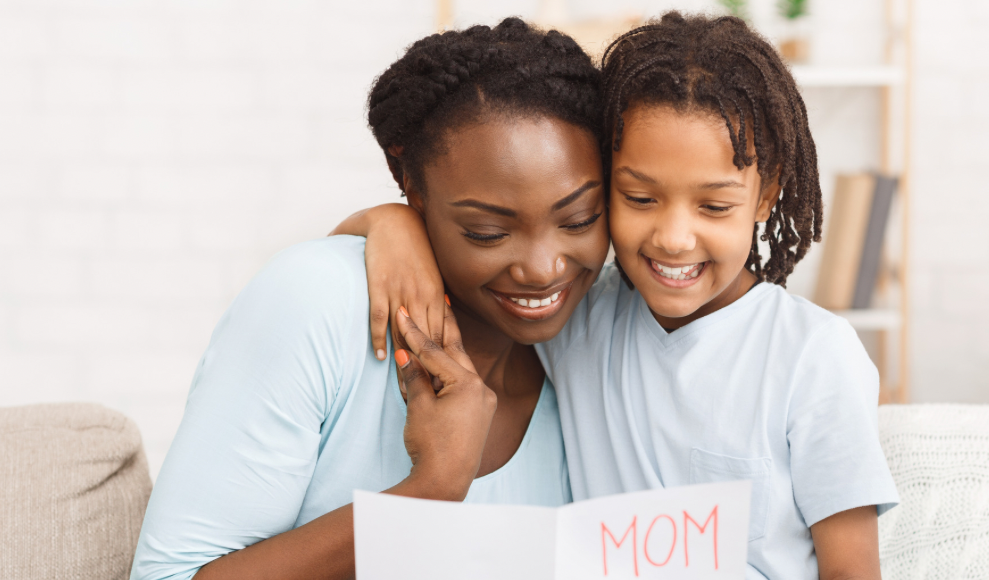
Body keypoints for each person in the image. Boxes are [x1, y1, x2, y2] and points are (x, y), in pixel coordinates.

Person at [338, 12, 899, 580]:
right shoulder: (581, 316)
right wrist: (391, 221)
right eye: (640, 198)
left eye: (714, 206)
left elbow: (853, 572)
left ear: (765, 193)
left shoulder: (814, 354)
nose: (674, 239)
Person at [130, 18, 610, 580]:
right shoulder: (316, 302)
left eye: (580, 219)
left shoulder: (594, 345)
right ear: (406, 178)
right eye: (487, 232)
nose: (543, 269)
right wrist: (431, 490)